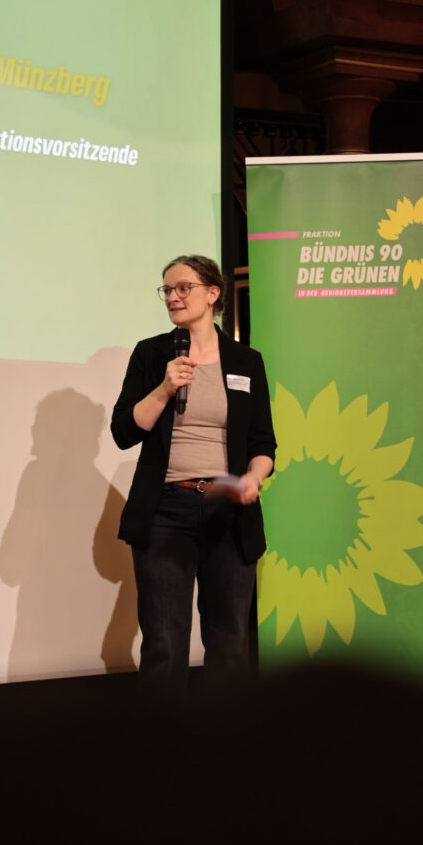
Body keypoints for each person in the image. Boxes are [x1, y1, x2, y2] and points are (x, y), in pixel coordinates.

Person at [111, 254, 276, 693]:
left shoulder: (246, 360)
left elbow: (263, 444)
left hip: (228, 510)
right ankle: (163, 737)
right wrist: (165, 388)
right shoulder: (152, 354)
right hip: (165, 510)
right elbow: (124, 432)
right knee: (165, 644)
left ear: (213, 293)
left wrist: (253, 479)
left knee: (229, 643)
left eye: (184, 287)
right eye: (167, 290)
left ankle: (227, 734)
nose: (173, 297)